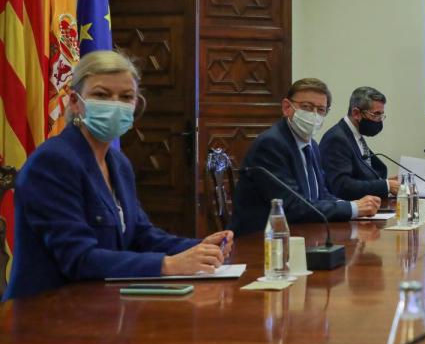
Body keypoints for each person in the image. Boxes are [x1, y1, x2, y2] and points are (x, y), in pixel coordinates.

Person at [4, 51, 233, 300]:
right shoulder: (52, 162)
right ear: (74, 102)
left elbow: (141, 235)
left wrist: (199, 247)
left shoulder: (119, 163)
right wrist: (168, 265)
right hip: (44, 317)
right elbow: (79, 259)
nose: (115, 104)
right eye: (101, 95)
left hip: (101, 310)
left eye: (126, 97)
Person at [231, 78, 380, 235]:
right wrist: (353, 208)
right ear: (287, 107)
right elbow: (292, 206)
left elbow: (321, 194)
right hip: (258, 241)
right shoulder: (271, 144)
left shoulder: (311, 145)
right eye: (307, 107)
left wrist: (352, 207)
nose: (314, 114)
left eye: (321, 110)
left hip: (301, 234)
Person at [320, 86, 398, 200]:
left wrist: (385, 182)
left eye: (382, 115)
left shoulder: (354, 135)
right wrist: (386, 186)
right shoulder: (337, 139)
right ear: (356, 113)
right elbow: (341, 186)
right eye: (376, 114)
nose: (379, 120)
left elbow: (359, 175)